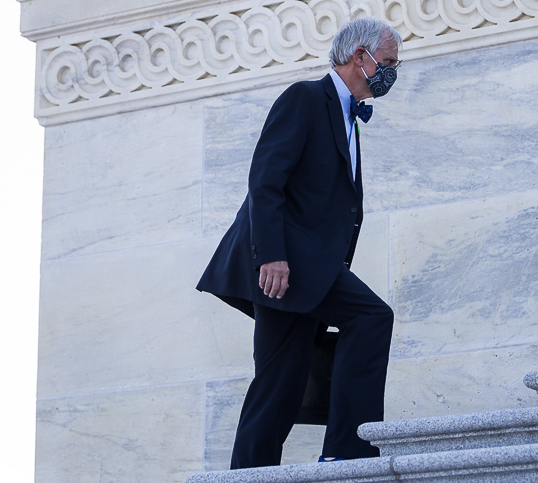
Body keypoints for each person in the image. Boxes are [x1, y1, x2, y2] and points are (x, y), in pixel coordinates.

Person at [196, 17, 402, 469]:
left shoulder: (351, 118)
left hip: (310, 269)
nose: (392, 72)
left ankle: (247, 475)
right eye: (388, 62)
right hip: (287, 263)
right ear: (359, 56)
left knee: (280, 384)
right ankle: (348, 452)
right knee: (371, 317)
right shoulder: (306, 98)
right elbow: (265, 182)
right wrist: (271, 255)